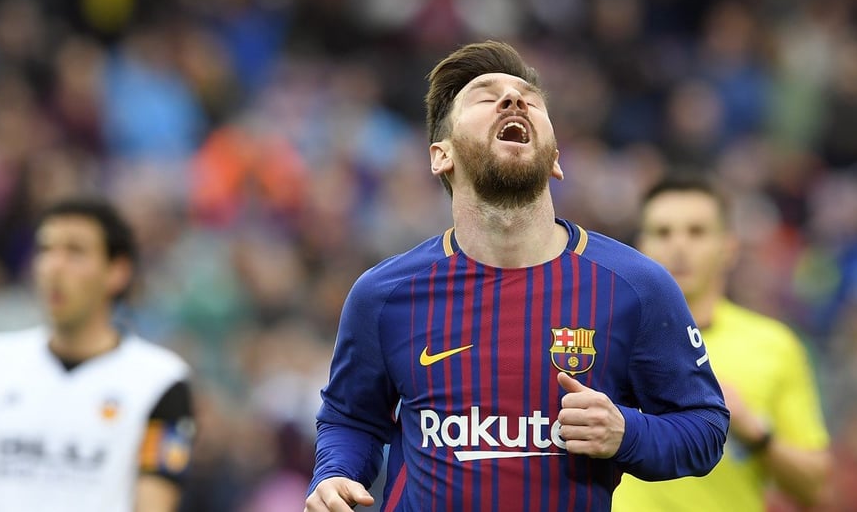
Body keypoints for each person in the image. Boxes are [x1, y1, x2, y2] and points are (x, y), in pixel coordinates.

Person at [304, 40, 729, 512]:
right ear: (439, 156)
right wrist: (334, 474)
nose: (513, 100)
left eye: (530, 98)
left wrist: (628, 433)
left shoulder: (636, 286)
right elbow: (350, 419)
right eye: (486, 97)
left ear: (554, 159)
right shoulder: (383, 296)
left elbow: (705, 428)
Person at [0, 197, 196, 512]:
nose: (55, 266)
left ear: (117, 271)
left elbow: (155, 503)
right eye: (46, 250)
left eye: (75, 252)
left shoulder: (160, 380)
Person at [612, 173, 831, 512]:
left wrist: (755, 433)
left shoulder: (774, 345)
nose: (679, 246)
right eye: (663, 232)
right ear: (641, 248)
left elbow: (815, 489)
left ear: (728, 248)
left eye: (696, 232)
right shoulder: (604, 337)